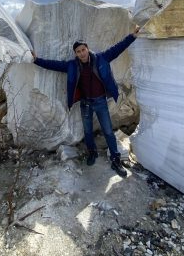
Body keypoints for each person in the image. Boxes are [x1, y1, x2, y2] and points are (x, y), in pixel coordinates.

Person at [31, 26, 140, 178]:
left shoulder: (102, 58)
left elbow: (118, 48)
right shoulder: (72, 65)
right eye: (78, 51)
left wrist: (132, 36)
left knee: (108, 131)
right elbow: (53, 64)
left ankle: (116, 160)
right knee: (87, 131)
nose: (81, 53)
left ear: (87, 49)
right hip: (86, 104)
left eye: (83, 50)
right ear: (75, 54)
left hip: (101, 102)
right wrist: (36, 60)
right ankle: (92, 153)